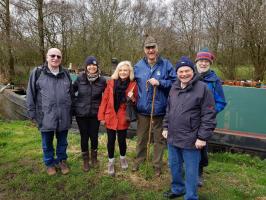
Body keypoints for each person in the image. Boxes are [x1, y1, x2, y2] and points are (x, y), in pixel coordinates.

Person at [162, 56, 216, 200]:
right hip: (173, 136)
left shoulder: (202, 88)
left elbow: (209, 115)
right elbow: (169, 109)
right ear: (177, 73)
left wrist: (202, 137)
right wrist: (165, 127)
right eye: (180, 71)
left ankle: (191, 196)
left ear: (193, 71)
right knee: (174, 166)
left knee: (191, 171)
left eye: (187, 71)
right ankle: (177, 188)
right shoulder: (174, 86)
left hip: (192, 139)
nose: (184, 74)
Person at [132, 35, 176, 176]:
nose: (151, 50)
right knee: (141, 137)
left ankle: (157, 164)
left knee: (159, 140)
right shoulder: (138, 66)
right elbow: (131, 84)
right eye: (148, 48)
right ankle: (139, 160)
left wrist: (160, 82)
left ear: (157, 48)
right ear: (144, 50)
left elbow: (175, 83)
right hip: (143, 110)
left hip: (160, 110)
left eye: (153, 47)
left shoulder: (166, 65)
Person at [26, 48, 72, 176]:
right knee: (47, 143)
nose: (55, 58)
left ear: (61, 59)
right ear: (47, 57)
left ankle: (61, 161)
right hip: (45, 115)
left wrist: (71, 111)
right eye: (52, 55)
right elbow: (30, 93)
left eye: (58, 56)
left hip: (63, 114)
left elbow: (71, 94)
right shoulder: (38, 72)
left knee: (63, 141)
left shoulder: (66, 74)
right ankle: (50, 163)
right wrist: (31, 113)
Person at [98, 61, 137, 176]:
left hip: (122, 117)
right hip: (110, 116)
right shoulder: (110, 83)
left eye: (125, 70)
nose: (123, 72)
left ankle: (123, 158)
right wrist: (101, 116)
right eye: (120, 70)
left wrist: (133, 98)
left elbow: (136, 102)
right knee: (110, 141)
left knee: (121, 140)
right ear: (117, 71)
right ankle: (111, 162)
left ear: (129, 72)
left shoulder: (133, 84)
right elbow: (104, 100)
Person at [195, 48, 227, 186]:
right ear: (196, 62)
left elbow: (221, 102)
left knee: (201, 146)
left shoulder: (214, 81)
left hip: (205, 121)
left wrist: (210, 112)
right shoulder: (189, 76)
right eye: (201, 61)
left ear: (210, 63)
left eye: (206, 61)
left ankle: (198, 173)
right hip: (188, 119)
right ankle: (188, 170)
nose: (203, 63)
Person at [72, 56, 106, 172]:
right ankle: (86, 160)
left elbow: (107, 97)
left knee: (94, 136)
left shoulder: (102, 81)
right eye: (89, 65)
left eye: (94, 65)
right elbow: (71, 91)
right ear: (86, 67)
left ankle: (94, 158)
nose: (92, 67)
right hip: (81, 114)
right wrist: (75, 104)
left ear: (97, 67)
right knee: (84, 137)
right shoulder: (80, 78)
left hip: (95, 114)